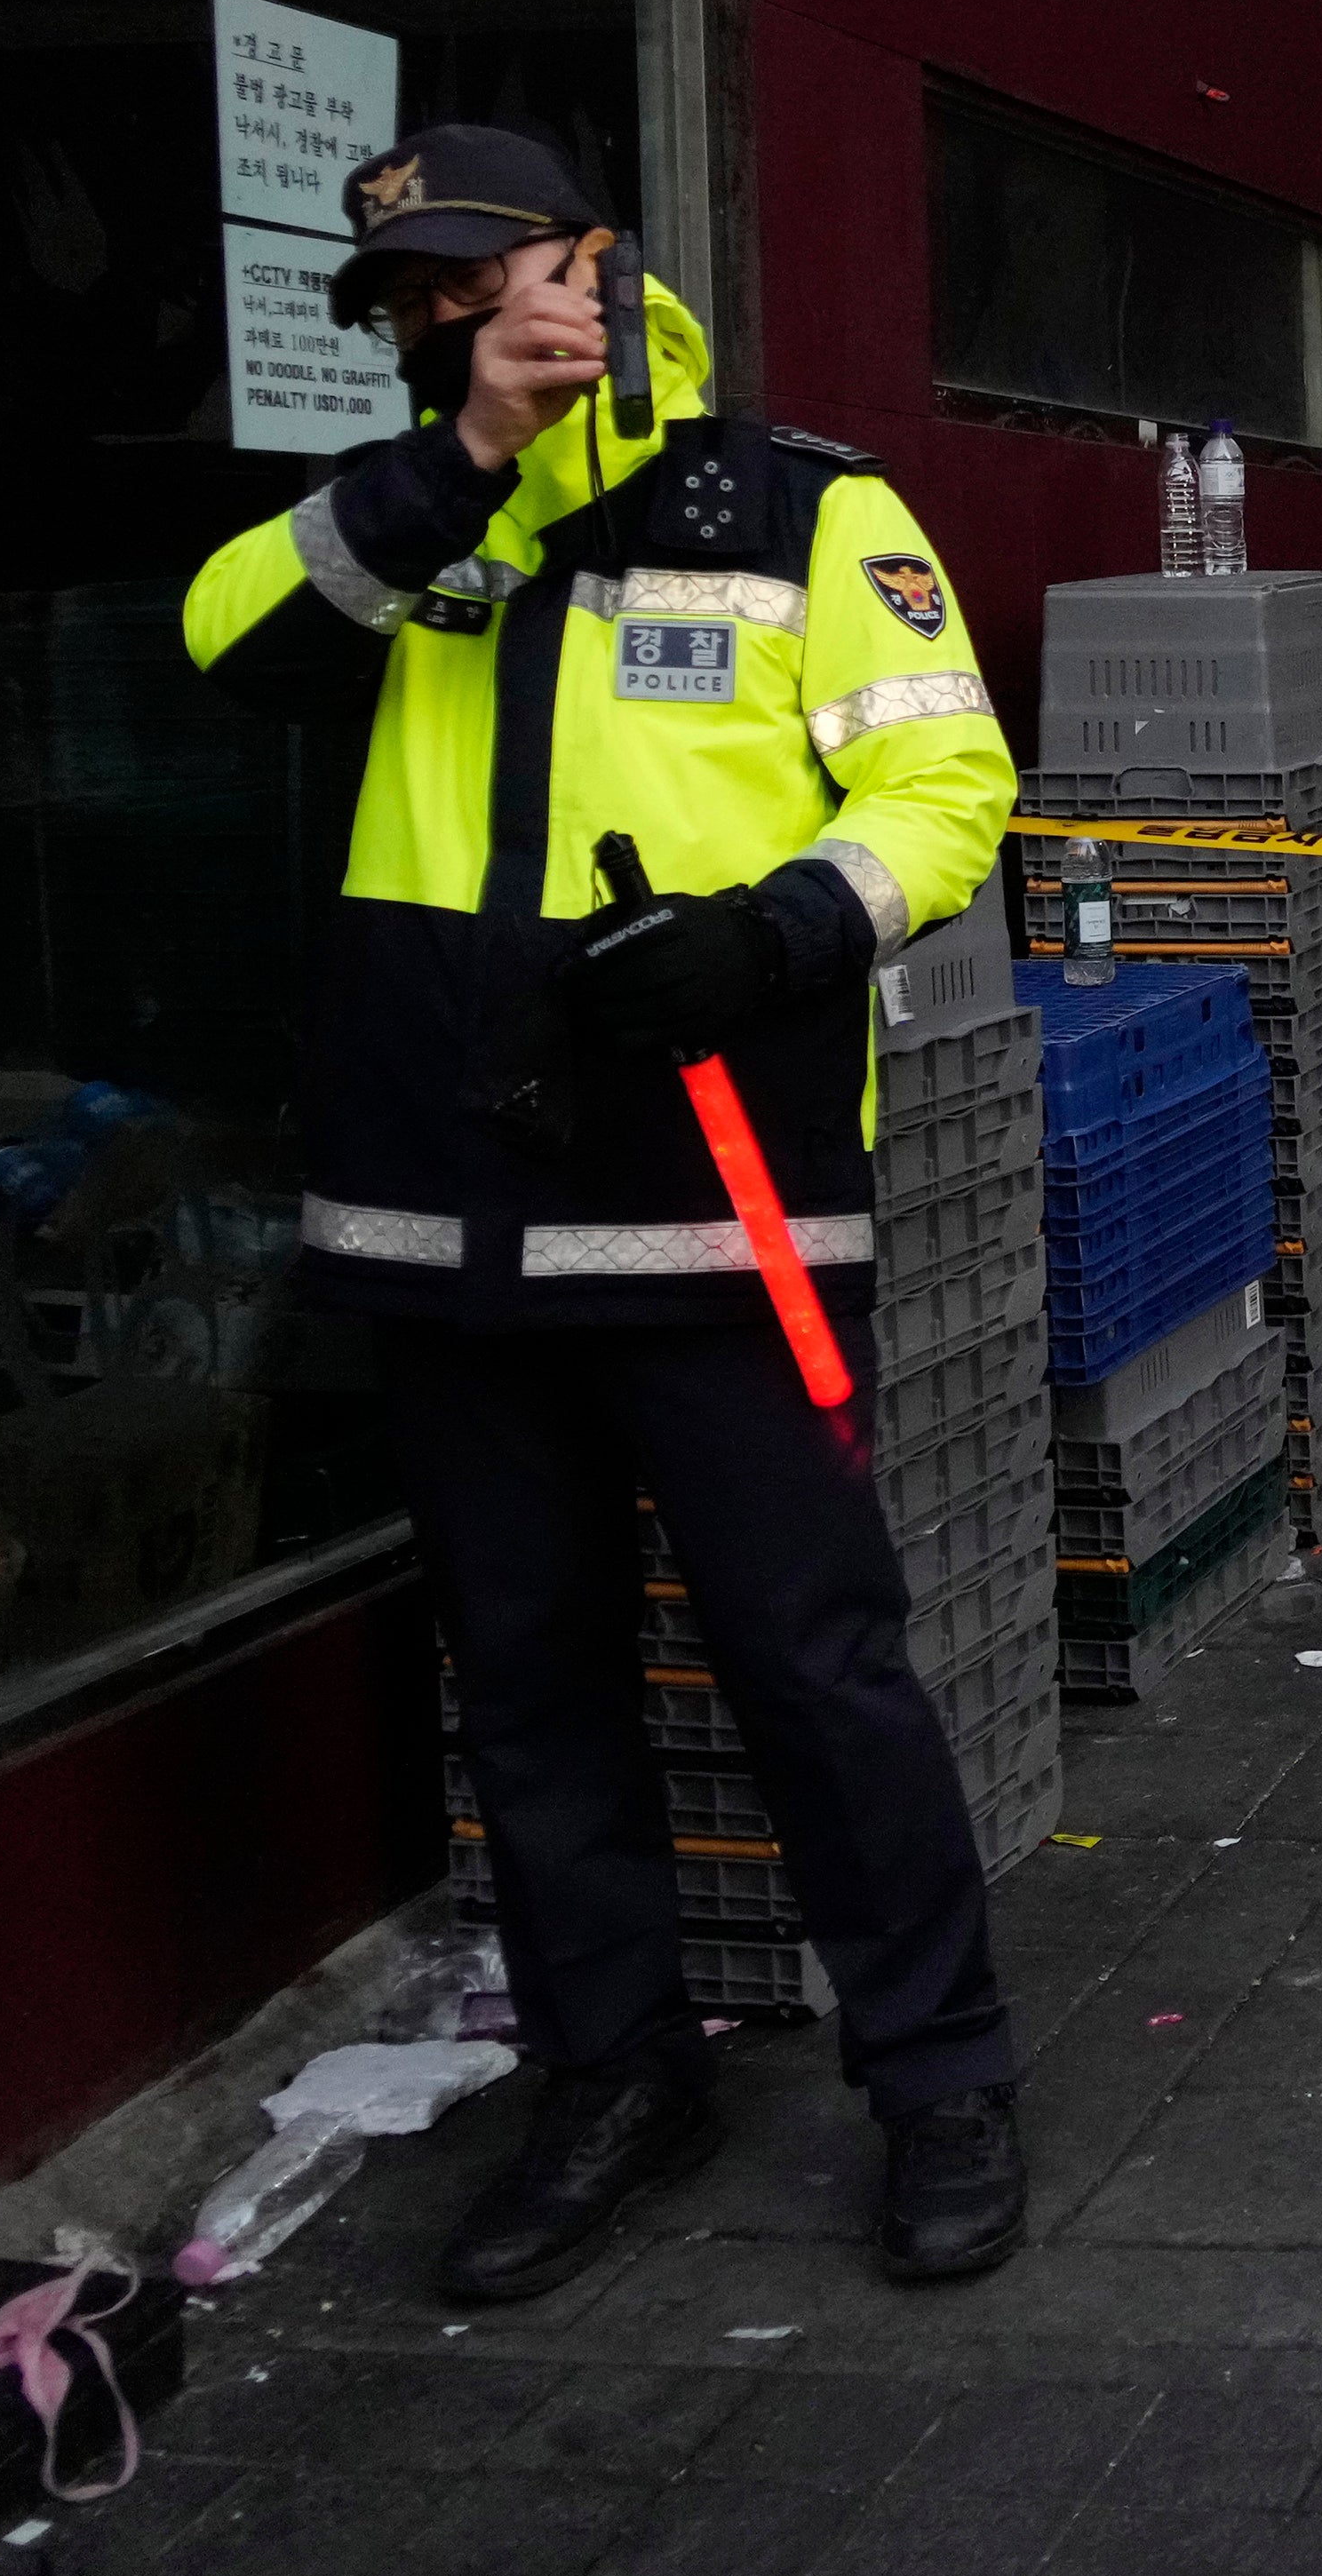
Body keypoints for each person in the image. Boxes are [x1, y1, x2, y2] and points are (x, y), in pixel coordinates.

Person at [180, 125, 1032, 2295]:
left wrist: (776, 931)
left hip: (708, 1214)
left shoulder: (801, 505)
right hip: (441, 1220)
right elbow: (232, 646)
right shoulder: (401, 525)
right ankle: (608, 2073)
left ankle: (940, 2078)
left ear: (595, 262)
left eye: (483, 276)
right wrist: (464, 450)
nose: (449, 319)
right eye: (412, 299)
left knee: (814, 1667)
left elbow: (951, 785)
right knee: (532, 1686)